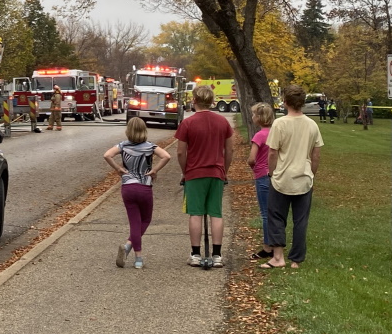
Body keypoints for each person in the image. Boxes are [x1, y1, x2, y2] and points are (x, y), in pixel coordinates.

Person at [260, 84, 324, 269]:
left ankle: (278, 257)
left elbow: (273, 152)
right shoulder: (312, 125)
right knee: (300, 220)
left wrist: (271, 172)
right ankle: (296, 259)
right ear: (302, 102)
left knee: (276, 217)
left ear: (285, 102)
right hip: (304, 178)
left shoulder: (280, 124)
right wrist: (312, 174)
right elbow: (316, 154)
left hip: (282, 177)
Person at [174, 84, 234, 268]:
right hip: (216, 172)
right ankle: (217, 255)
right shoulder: (223, 122)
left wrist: (185, 171)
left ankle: (195, 253)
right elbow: (229, 149)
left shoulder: (188, 123)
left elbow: (180, 152)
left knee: (196, 213)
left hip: (195, 173)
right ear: (212, 101)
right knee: (216, 213)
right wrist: (224, 170)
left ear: (194, 100)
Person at [104, 116, 171, 269]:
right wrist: (154, 170)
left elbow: (107, 155)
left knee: (134, 222)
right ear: (144, 130)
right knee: (145, 220)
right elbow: (166, 156)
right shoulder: (150, 146)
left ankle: (137, 256)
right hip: (144, 187)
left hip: (127, 187)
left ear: (128, 131)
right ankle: (131, 250)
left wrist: (118, 169)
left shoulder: (123, 145)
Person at [247, 102, 276, 260]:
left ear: (259, 118)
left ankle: (267, 247)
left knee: (265, 213)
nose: (252, 117)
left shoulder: (259, 135)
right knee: (275, 212)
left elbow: (252, 158)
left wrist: (253, 166)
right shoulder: (275, 134)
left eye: (253, 114)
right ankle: (277, 243)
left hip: (262, 175)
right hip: (275, 174)